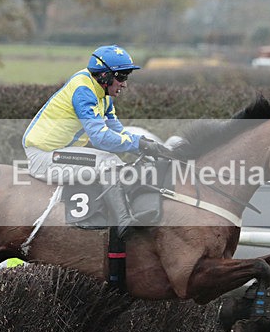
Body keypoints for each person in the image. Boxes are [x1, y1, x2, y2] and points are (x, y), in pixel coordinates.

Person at [22, 45, 170, 237]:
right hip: (45, 157)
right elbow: (100, 138)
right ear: (105, 76)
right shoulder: (84, 91)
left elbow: (117, 132)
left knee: (117, 162)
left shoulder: (103, 94)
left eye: (126, 77)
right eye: (122, 76)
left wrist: (146, 147)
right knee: (108, 161)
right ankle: (123, 223)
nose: (124, 84)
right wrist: (138, 143)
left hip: (59, 152)